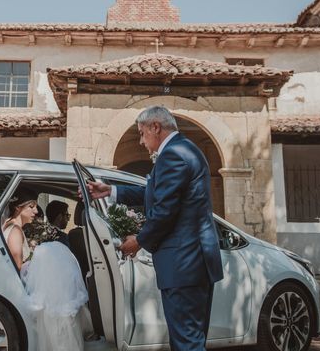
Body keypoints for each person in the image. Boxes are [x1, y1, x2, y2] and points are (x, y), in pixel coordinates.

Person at [86, 105, 223, 351]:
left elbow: (164, 211)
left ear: (155, 127)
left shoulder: (173, 155)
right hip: (191, 262)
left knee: (187, 342)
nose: (140, 141)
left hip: (184, 262)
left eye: (141, 133)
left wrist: (138, 241)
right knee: (189, 339)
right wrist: (111, 191)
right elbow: (155, 193)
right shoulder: (183, 150)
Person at [3, 190, 93, 350]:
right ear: (18, 208)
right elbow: (15, 270)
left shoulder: (9, 226)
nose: (36, 211)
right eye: (31, 207)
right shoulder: (15, 231)